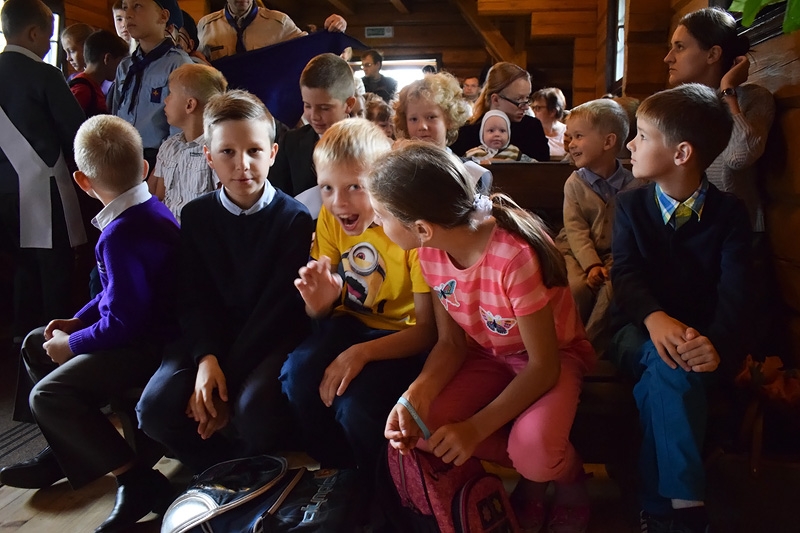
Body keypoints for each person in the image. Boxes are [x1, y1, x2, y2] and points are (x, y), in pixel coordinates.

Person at [372, 142, 596, 533]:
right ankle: (531, 467)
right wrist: (413, 397)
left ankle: (566, 478)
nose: (376, 223)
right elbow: (450, 344)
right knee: (423, 427)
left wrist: (475, 429)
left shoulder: (513, 257)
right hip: (487, 355)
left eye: (381, 216)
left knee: (536, 454)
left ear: (421, 228)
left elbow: (544, 367)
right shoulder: (429, 251)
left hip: (550, 358)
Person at [0, 115, 181, 532]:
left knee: (48, 395)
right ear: (145, 168)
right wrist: (77, 320)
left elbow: (123, 321)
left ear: (82, 181)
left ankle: (136, 481)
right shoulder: (149, 209)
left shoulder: (121, 233)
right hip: (138, 332)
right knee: (35, 342)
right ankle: (68, 449)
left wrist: (73, 343)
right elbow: (116, 292)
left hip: (147, 346)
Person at [137, 90, 314, 474]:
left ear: (272, 153)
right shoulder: (197, 215)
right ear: (209, 156)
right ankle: (218, 472)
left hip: (266, 341)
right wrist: (206, 360)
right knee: (154, 410)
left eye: (254, 151)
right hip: (207, 340)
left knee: (253, 413)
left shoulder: (294, 219)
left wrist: (225, 381)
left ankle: (254, 472)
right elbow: (193, 297)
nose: (242, 165)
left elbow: (276, 312)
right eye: (228, 152)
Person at [610, 83, 752, 533]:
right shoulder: (631, 205)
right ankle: (688, 509)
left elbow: (736, 294)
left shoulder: (730, 214)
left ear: (682, 152)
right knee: (666, 362)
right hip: (635, 331)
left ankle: (657, 508)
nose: (631, 145)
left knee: (669, 374)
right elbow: (625, 277)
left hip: (700, 341)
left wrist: (715, 346)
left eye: (642, 135)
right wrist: (656, 320)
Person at [280, 118, 435, 489]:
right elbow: (321, 309)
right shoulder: (331, 219)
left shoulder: (408, 229)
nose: (339, 202)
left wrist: (361, 353)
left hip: (400, 338)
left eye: (354, 187)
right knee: (297, 376)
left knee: (356, 407)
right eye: (327, 188)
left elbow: (427, 332)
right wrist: (318, 304)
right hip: (348, 325)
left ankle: (384, 485)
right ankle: (336, 473)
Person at [0, 0, 87, 347]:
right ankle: (54, 342)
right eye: (48, 39)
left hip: (3, 189)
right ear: (34, 33)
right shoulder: (44, 74)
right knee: (55, 268)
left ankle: (21, 335)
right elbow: (76, 131)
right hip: (40, 183)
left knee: (21, 265)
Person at [665, 7, 774, 233]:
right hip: (686, 234)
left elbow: (739, 157)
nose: (668, 58)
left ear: (713, 54)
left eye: (680, 47)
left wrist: (727, 90)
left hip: (736, 234)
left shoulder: (753, 98)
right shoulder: (681, 107)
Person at [555, 99, 643, 355]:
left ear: (608, 142)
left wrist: (612, 262)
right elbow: (575, 229)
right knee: (577, 288)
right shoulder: (575, 183)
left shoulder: (636, 184)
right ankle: (567, 340)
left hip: (617, 252)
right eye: (570, 136)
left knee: (613, 288)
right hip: (575, 250)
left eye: (579, 136)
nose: (571, 144)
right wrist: (591, 264)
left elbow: (633, 231)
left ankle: (590, 346)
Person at [111, 0, 191, 173]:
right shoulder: (126, 66)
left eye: (137, 6)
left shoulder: (178, 65)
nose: (128, 15)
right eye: (125, 8)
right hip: (122, 157)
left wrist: (163, 169)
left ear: (163, 16)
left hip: (157, 162)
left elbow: (182, 128)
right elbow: (116, 111)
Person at [270, 53, 355, 202]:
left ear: (348, 104)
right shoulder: (291, 143)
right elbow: (278, 196)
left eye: (324, 108)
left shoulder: (369, 144)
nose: (314, 116)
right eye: (307, 106)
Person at [152, 63, 228, 221]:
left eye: (170, 94)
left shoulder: (218, 152)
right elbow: (159, 198)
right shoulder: (168, 147)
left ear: (190, 105)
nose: (165, 100)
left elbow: (224, 210)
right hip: (169, 230)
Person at [393, 71, 491, 193]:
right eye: (413, 119)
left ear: (449, 119)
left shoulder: (470, 173)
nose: (422, 126)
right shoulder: (398, 174)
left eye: (431, 117)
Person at [449, 62, 549, 162]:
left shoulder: (532, 128)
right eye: (518, 99)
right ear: (495, 99)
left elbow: (544, 168)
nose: (526, 107)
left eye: (527, 98)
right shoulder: (466, 132)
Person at [197, 0, 346, 61]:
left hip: (266, 108)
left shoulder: (279, 23)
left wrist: (335, 30)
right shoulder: (206, 26)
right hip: (221, 105)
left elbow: (310, 50)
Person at [69, 30, 129, 118]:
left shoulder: (93, 85)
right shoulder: (82, 89)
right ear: (107, 59)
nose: (123, 69)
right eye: (121, 63)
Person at [465, 109, 532, 163]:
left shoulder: (514, 152)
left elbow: (534, 166)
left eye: (502, 131)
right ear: (482, 134)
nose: (497, 134)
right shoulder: (474, 153)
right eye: (491, 131)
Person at [532, 87, 568, 160]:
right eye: (533, 107)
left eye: (538, 108)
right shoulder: (529, 133)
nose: (533, 111)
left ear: (553, 111)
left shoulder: (569, 132)